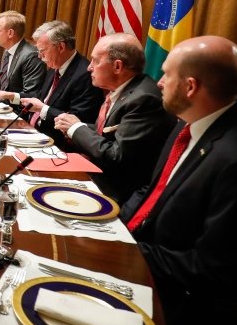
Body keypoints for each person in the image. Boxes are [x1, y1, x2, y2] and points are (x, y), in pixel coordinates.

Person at [120, 36, 237, 325]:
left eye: (165, 74)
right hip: (142, 257)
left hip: (177, 306)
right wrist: (108, 226)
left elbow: (210, 268)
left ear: (191, 86)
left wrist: (125, 250)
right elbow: (149, 191)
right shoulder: (187, 123)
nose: (159, 83)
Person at [52, 33, 175, 202]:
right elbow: (108, 132)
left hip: (116, 192)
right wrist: (76, 128)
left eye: (96, 61)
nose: (89, 67)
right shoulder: (125, 90)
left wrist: (76, 129)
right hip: (96, 175)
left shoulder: (144, 98)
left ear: (117, 66)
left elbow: (118, 157)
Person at [19, 20, 104, 147]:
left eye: (43, 51)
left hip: (57, 144)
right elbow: (42, 97)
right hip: (33, 133)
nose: (40, 56)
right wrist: (14, 97)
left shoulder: (84, 75)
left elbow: (77, 121)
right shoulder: (55, 66)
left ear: (61, 47)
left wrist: (42, 109)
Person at [0, 10, 45, 104]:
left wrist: (8, 96)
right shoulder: (7, 51)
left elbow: (32, 94)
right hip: (1, 106)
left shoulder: (31, 56)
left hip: (18, 112)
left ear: (10, 33)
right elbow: (5, 82)